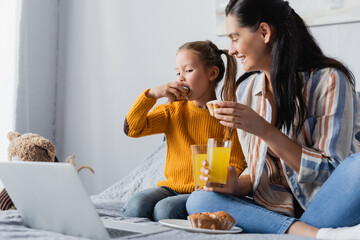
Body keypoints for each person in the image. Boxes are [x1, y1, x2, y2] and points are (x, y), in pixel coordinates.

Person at [185, 0, 360, 239]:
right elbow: (258, 170)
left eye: (235, 38)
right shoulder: (245, 90)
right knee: (199, 199)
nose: (231, 50)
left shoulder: (329, 80)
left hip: (323, 205)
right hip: (274, 211)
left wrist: (265, 130)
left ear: (264, 32)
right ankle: (315, 234)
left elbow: (331, 171)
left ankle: (305, 230)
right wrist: (236, 184)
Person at [122, 40, 245, 221]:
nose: (180, 78)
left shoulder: (227, 116)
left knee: (165, 210)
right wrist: (151, 95)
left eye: (188, 71)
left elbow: (236, 165)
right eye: (178, 72)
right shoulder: (173, 111)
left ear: (212, 73)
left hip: (204, 192)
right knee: (136, 205)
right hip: (170, 188)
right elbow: (132, 128)